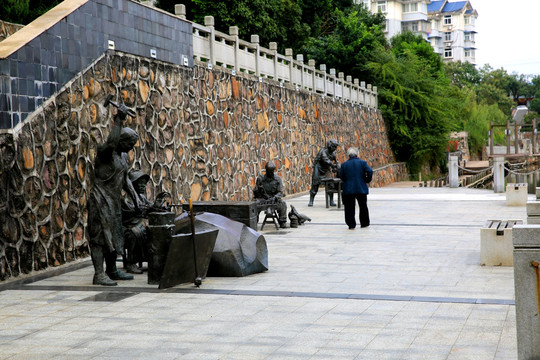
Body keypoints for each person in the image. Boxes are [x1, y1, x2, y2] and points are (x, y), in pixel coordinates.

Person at [87, 107, 140, 286]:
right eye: (129, 144)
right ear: (121, 140)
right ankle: (99, 274)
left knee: (115, 236)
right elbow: (111, 143)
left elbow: (125, 179)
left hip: (114, 202)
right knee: (100, 238)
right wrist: (118, 120)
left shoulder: (123, 157)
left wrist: (136, 199)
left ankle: (112, 270)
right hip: (100, 200)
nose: (131, 148)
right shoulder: (105, 151)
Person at [121, 170, 170, 274]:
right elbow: (136, 211)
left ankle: (153, 259)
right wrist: (148, 209)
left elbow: (150, 206)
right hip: (126, 227)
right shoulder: (126, 199)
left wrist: (158, 205)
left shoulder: (141, 197)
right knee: (134, 233)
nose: (143, 186)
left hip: (138, 225)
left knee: (156, 231)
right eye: (140, 183)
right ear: (133, 184)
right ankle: (131, 263)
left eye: (144, 183)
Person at [338, 147, 373, 229]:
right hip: (361, 188)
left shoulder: (344, 165)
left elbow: (341, 176)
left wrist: (346, 180)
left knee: (349, 207)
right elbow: (370, 171)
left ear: (348, 155)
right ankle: (364, 223)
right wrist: (367, 179)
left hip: (348, 189)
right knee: (363, 206)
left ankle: (351, 224)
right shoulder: (362, 163)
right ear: (357, 154)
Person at [253, 161, 287, 228]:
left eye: (272, 171)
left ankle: (282, 221)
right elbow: (256, 191)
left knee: (283, 203)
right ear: (266, 170)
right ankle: (254, 222)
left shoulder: (278, 179)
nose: (270, 173)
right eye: (269, 171)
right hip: (263, 199)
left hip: (273, 199)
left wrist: (275, 197)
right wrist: (258, 191)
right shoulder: (260, 179)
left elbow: (280, 192)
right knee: (254, 204)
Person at [308, 139, 339, 207]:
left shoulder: (333, 154)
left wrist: (337, 166)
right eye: (333, 147)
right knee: (315, 184)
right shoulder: (323, 151)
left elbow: (336, 161)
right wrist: (332, 165)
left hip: (326, 170)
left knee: (331, 183)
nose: (334, 149)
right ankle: (311, 200)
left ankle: (331, 200)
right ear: (330, 146)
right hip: (318, 169)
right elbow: (326, 160)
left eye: (335, 147)